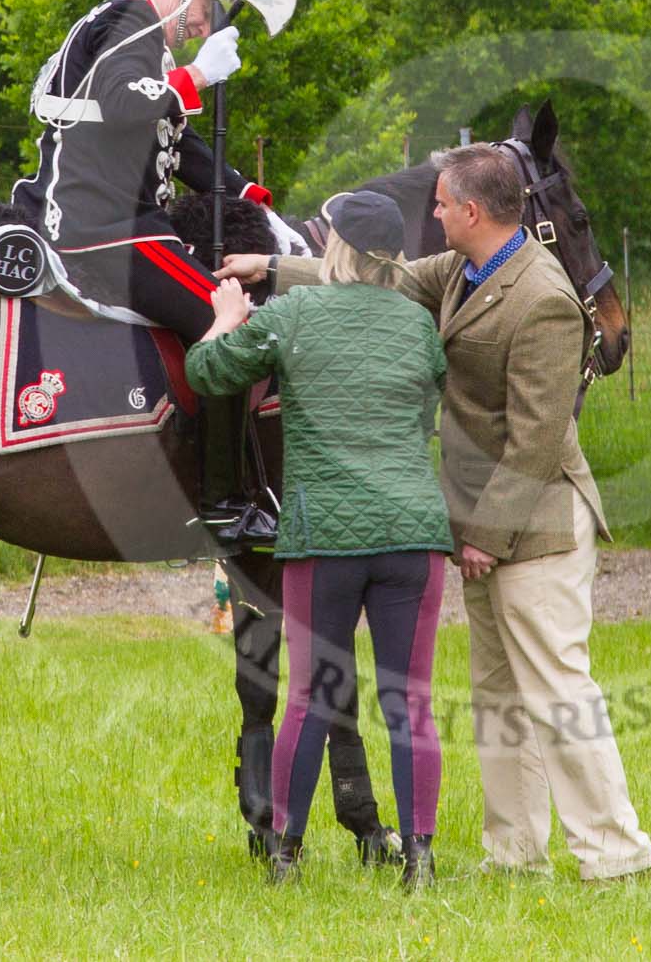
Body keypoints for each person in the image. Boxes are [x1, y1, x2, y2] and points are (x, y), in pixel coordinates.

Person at [220, 144, 651, 882]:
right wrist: (266, 271)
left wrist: (485, 535)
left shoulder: (543, 297)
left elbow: (538, 437)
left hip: (539, 520)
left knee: (556, 685)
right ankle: (516, 851)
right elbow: (375, 275)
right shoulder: (461, 270)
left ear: (474, 211)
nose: (433, 212)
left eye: (442, 203)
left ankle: (615, 852)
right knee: (497, 693)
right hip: (489, 520)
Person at [187, 190, 453, 889]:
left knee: (306, 694)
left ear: (333, 245)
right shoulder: (418, 324)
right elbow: (425, 406)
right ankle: (420, 857)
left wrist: (222, 320)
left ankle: (285, 853)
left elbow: (208, 373)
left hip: (324, 534)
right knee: (411, 699)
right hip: (413, 534)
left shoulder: (293, 314)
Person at [10, 0, 303, 513]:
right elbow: (121, 103)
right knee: (236, 323)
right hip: (105, 230)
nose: (200, 29)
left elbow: (176, 144)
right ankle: (225, 496)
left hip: (124, 223)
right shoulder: (132, 20)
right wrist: (196, 75)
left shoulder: (133, 28)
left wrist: (251, 198)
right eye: (201, 13)